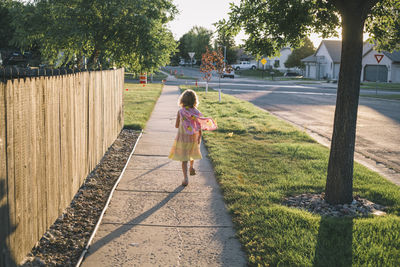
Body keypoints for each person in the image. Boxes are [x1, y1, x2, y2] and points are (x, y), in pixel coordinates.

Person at [169, 89, 217, 186]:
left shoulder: (181, 112)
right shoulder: (196, 112)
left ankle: (185, 178)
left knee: (183, 159)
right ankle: (191, 167)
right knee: (191, 153)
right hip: (193, 137)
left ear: (182, 100)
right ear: (194, 101)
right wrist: (199, 136)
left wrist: (183, 122)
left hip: (182, 138)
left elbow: (177, 125)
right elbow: (199, 126)